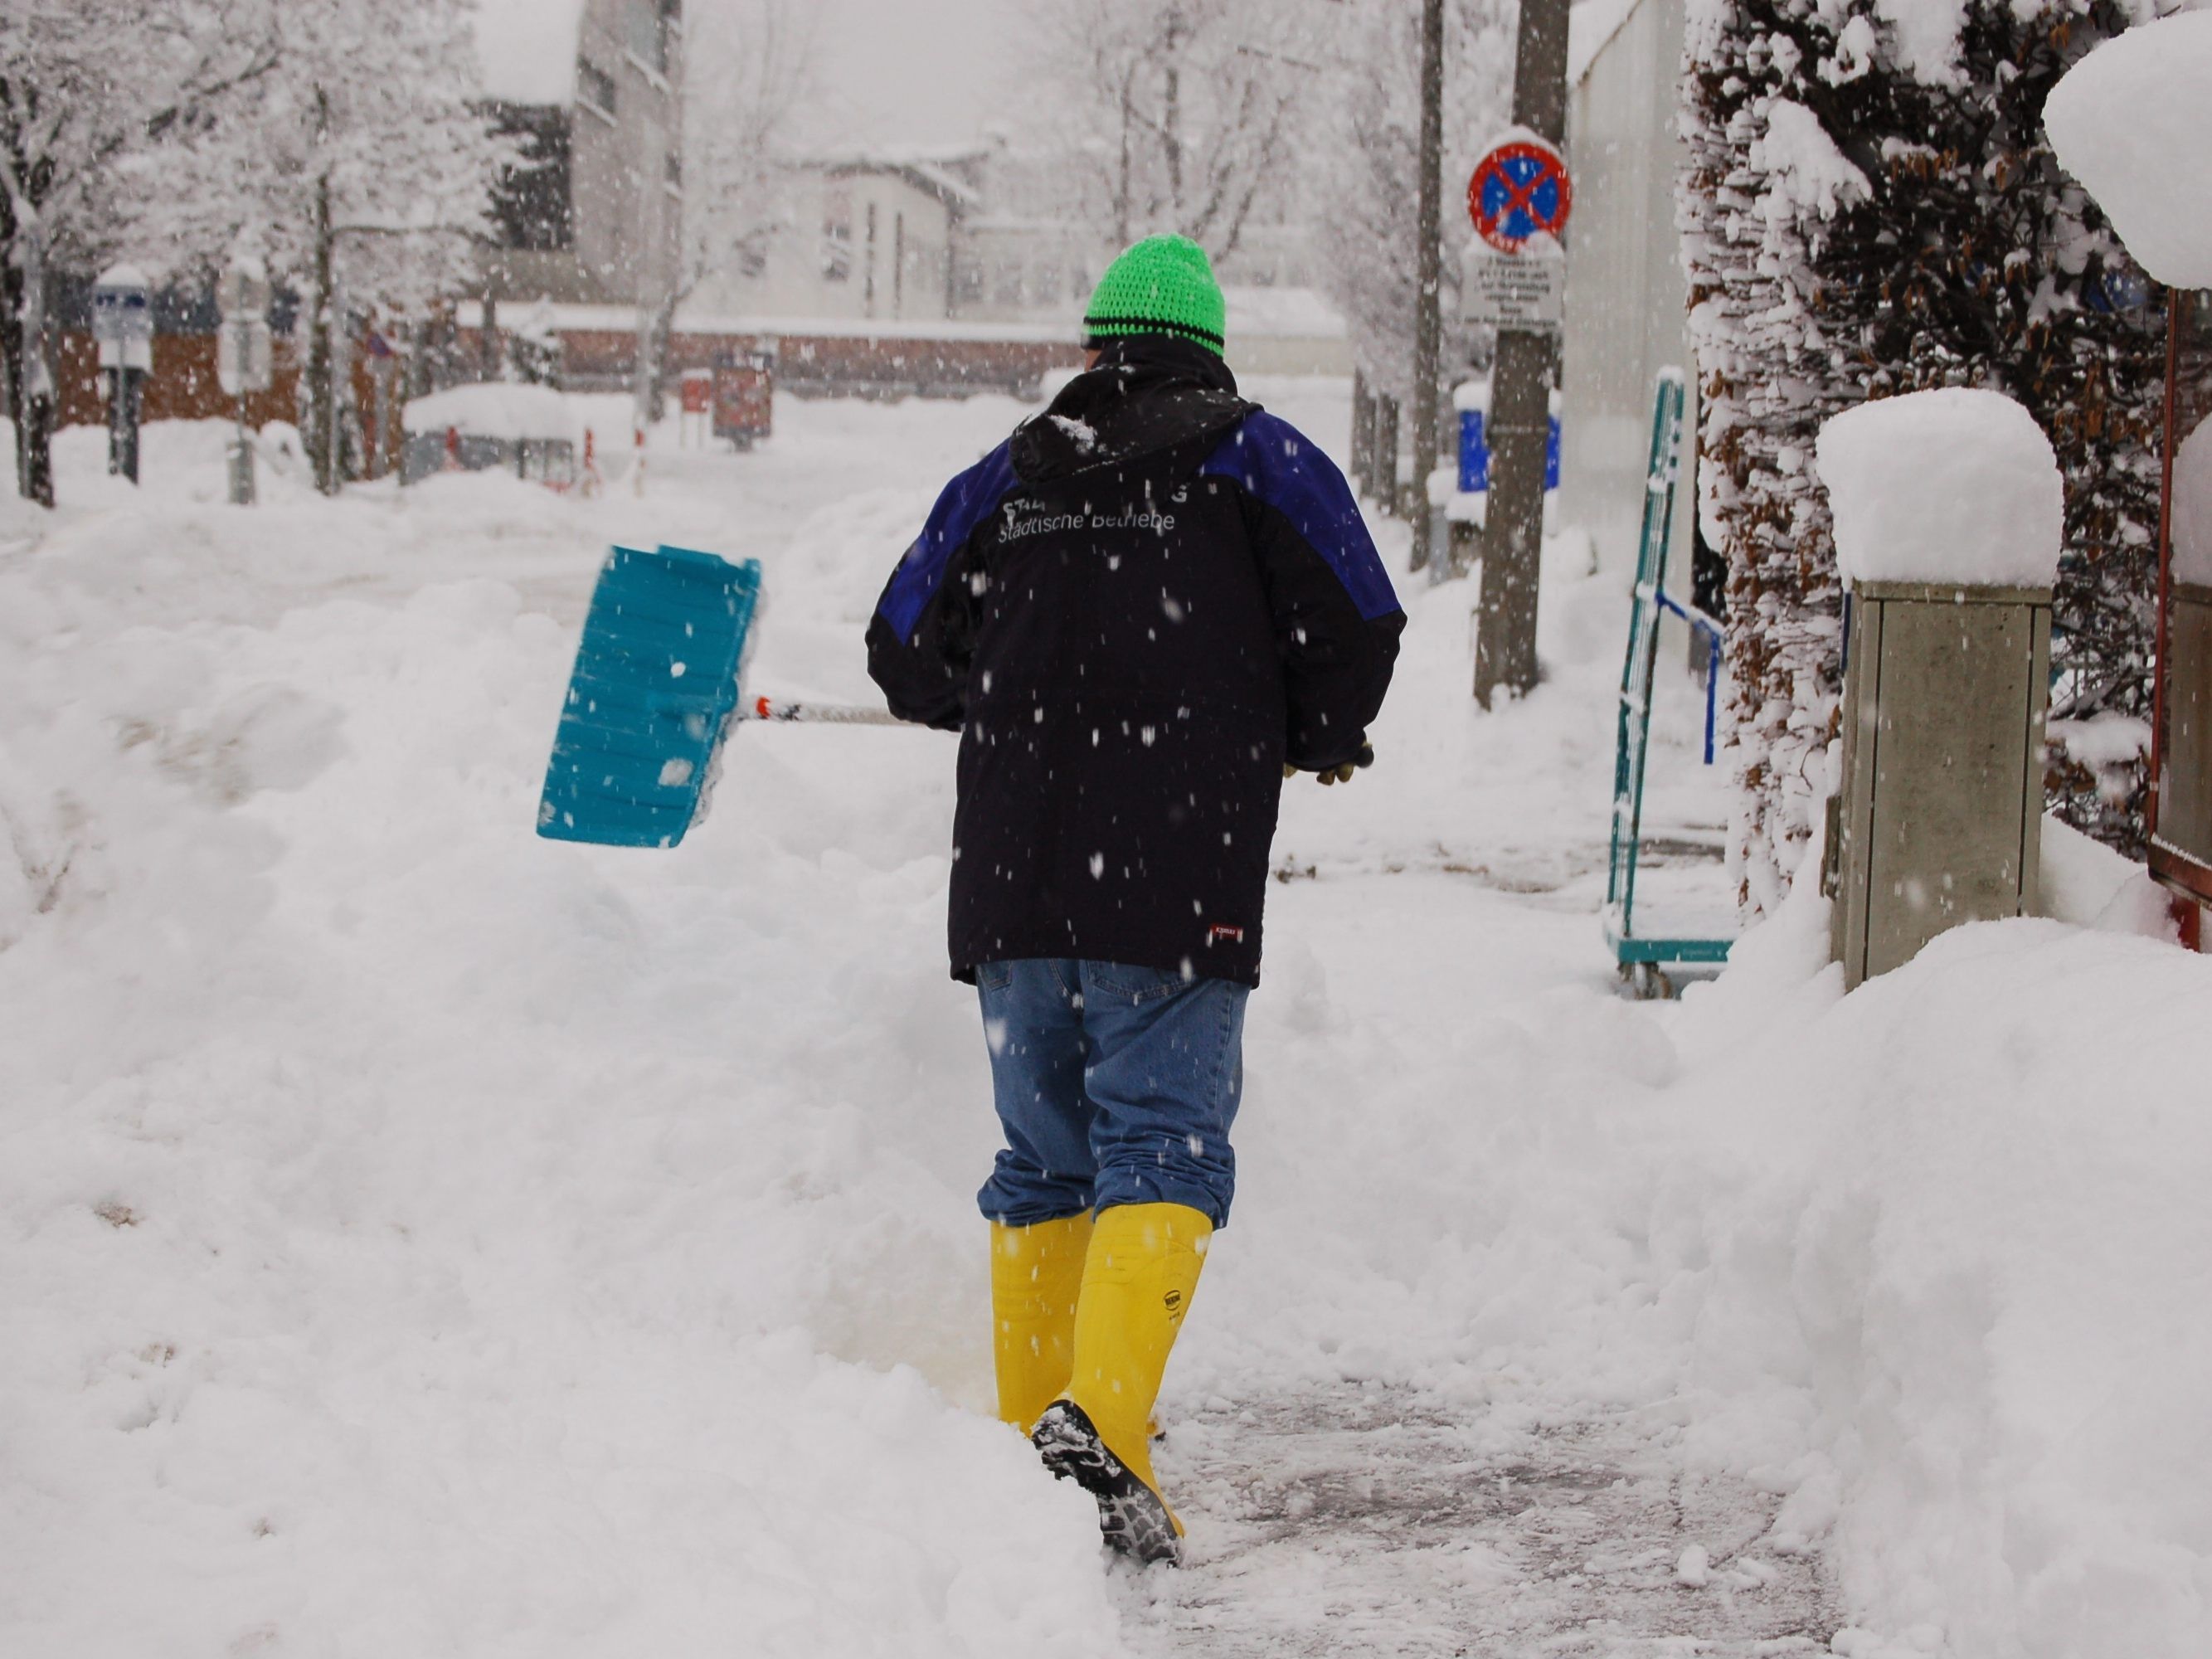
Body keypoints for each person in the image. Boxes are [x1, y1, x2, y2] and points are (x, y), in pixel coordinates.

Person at [865, 234, 1403, 1564]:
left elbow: (900, 649)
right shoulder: (1256, 459)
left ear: (1097, 345)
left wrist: (992, 692)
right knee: (1163, 1145)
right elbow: (1362, 619)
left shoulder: (1010, 473)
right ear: (1207, 347)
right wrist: (1311, 722)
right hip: (1176, 875)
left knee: (1043, 1161)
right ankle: (1101, 1420)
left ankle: (1026, 1466)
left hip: (1011, 890)